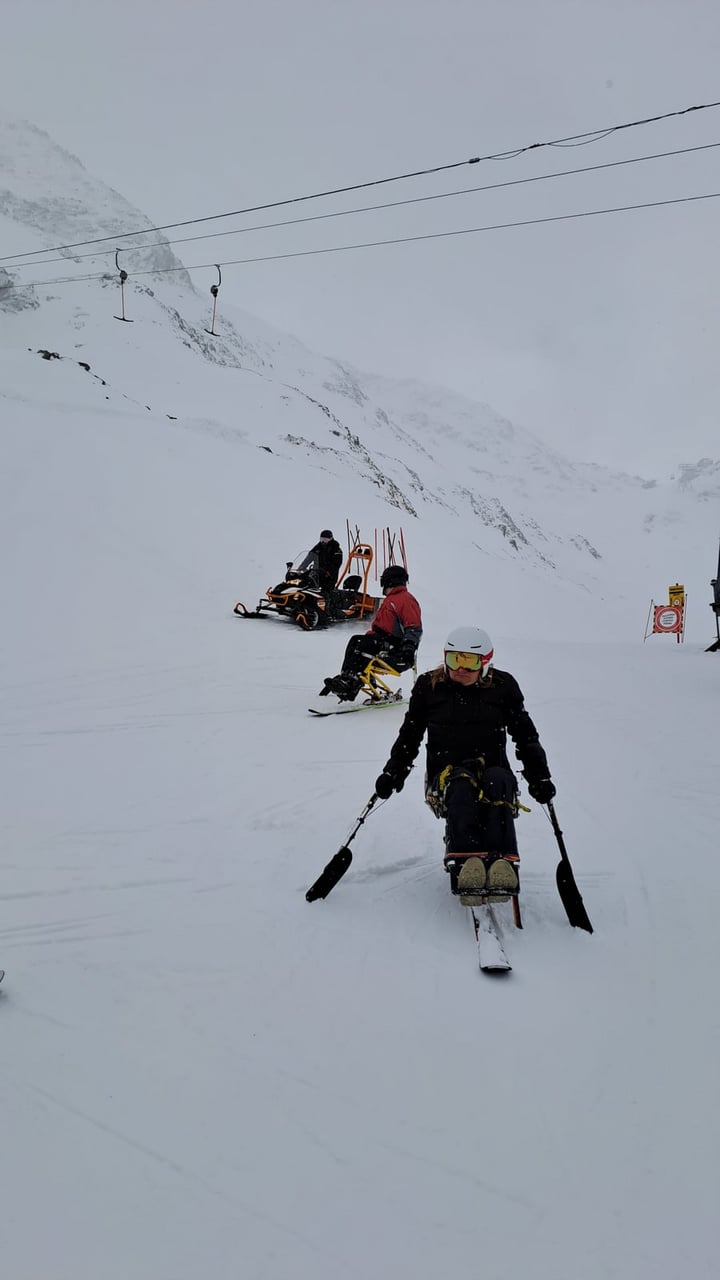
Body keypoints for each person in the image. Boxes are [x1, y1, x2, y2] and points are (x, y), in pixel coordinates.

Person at [373, 625, 555, 894]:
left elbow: (525, 736)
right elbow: (410, 735)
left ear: (485, 663)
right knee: (461, 785)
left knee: (499, 781)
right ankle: (466, 861)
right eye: (453, 659)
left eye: (469, 662)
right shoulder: (429, 687)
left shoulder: (503, 687)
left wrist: (540, 776)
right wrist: (393, 772)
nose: (460, 668)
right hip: (445, 773)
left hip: (492, 767)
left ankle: (502, 861)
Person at [319, 565, 422, 701]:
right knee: (356, 640)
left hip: (398, 649)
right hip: (384, 641)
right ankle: (346, 677)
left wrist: (408, 647)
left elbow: (414, 626)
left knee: (364, 643)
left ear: (390, 581)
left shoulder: (405, 600)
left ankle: (351, 683)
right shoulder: (391, 599)